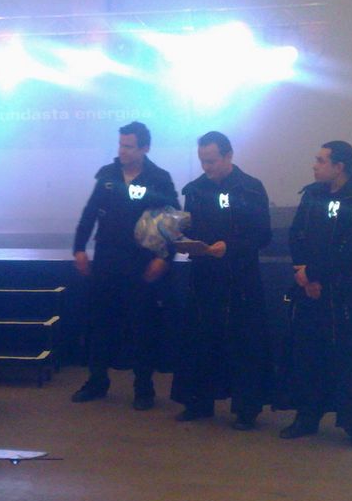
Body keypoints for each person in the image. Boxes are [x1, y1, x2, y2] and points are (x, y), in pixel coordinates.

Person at [279, 140, 352, 449]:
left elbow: (350, 250)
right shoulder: (312, 194)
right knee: (308, 354)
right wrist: (303, 273)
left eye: (321, 160)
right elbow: (296, 234)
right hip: (309, 290)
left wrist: (314, 274)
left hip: (344, 294)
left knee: (350, 359)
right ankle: (307, 416)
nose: (314, 165)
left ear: (339, 167)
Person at [71, 121, 178, 410]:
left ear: (145, 148)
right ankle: (96, 381)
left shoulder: (159, 179)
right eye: (120, 144)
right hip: (106, 260)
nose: (123, 151)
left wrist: (164, 258)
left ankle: (144, 388)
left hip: (140, 264)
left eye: (129, 146)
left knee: (141, 327)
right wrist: (79, 248)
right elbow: (89, 214)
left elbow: (172, 222)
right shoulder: (108, 175)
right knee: (100, 324)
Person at [170, 131, 272, 429]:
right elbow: (189, 227)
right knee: (200, 339)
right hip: (204, 276)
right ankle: (198, 402)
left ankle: (246, 409)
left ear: (228, 156)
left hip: (241, 278)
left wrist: (229, 247)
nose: (207, 167)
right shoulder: (195, 190)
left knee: (244, 343)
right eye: (202, 161)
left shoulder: (251, 188)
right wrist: (183, 240)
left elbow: (262, 235)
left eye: (212, 161)